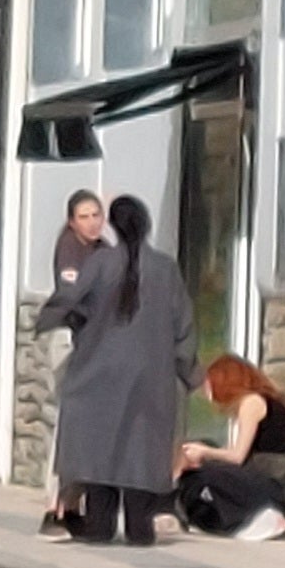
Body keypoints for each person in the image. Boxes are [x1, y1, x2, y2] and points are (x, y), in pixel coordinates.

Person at [35, 194, 195, 546]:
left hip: (99, 372)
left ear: (114, 225)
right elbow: (183, 326)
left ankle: (100, 524)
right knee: (140, 450)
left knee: (98, 446)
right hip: (151, 379)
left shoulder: (101, 263)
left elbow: (69, 301)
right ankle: (140, 527)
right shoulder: (166, 269)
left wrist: (52, 321)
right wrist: (190, 372)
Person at [175, 354, 285, 543]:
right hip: (272, 478)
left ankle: (257, 518)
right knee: (198, 471)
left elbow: (237, 456)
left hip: (278, 481)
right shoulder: (262, 400)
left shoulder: (251, 402)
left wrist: (204, 452)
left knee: (207, 471)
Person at [37, 190, 106, 538]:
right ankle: (55, 509)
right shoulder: (69, 250)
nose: (92, 222)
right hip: (69, 341)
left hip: (96, 346)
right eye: (84, 216)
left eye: (97, 215)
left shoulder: (104, 251)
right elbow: (74, 298)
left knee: (92, 427)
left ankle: (75, 505)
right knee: (72, 422)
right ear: (71, 222)